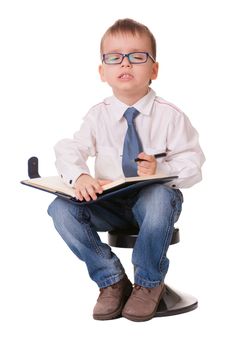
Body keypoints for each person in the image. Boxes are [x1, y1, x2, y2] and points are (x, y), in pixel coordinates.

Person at [48, 18, 205, 322]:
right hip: (110, 204)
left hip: (154, 204)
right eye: (114, 57)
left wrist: (162, 168)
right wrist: (80, 176)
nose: (126, 64)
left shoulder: (170, 116)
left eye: (137, 56)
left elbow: (193, 164)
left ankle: (148, 284)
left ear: (154, 70)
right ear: (102, 71)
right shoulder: (98, 116)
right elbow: (70, 148)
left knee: (158, 196)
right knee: (60, 209)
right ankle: (112, 281)